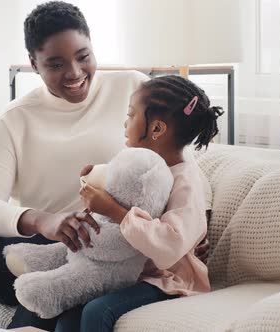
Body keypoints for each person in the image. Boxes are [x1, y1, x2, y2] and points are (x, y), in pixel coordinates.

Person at [0, 2, 209, 331]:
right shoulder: (14, 120)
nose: (74, 73)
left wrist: (188, 233)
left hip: (118, 253)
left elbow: (181, 163)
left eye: (83, 56)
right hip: (47, 246)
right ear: (34, 64)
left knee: (54, 316)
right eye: (55, 64)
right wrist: (43, 221)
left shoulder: (134, 89)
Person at [72, 75, 223, 332]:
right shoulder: (136, 165)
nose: (125, 122)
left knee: (97, 311)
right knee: (67, 311)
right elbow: (118, 201)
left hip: (167, 280)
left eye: (131, 115)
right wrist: (96, 182)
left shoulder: (185, 179)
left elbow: (171, 244)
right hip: (129, 271)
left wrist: (115, 211)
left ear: (156, 129)